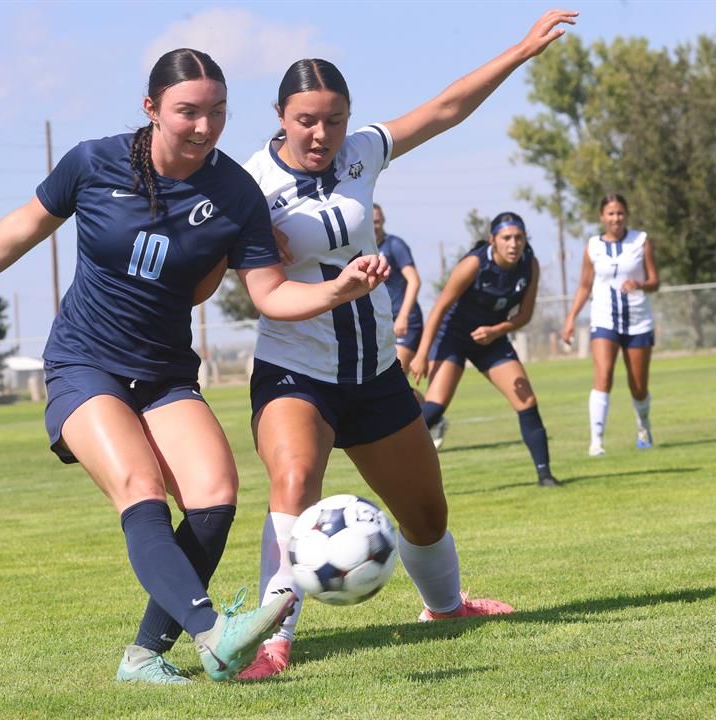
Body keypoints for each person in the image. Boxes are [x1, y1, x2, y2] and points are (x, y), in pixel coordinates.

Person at [0, 48, 389, 685]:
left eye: (217, 112)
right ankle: (215, 633)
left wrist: (335, 291)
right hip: (84, 364)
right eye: (187, 112)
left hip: (163, 374)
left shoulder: (235, 192)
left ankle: (144, 656)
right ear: (151, 110)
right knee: (142, 491)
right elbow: (23, 227)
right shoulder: (93, 162)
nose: (204, 127)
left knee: (214, 500)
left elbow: (269, 294)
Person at [233, 10, 579, 680]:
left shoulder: (364, 150)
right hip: (294, 370)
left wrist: (518, 52)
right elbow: (242, 279)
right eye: (306, 119)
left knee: (425, 515)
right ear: (280, 114)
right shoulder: (250, 187)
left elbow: (447, 107)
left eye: (333, 119)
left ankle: (446, 610)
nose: (321, 133)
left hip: (375, 374)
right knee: (295, 482)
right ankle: (270, 641)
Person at [408, 212, 560, 487]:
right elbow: (440, 308)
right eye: (507, 238)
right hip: (453, 336)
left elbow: (524, 315)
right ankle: (398, 468)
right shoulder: (474, 263)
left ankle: (545, 476)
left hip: (491, 338)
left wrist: (496, 331)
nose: (514, 244)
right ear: (493, 240)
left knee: (526, 401)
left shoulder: (530, 263)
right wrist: (421, 355)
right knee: (435, 406)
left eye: (519, 238)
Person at [561, 193, 660, 456]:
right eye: (611, 213)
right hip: (604, 319)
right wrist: (570, 318)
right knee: (603, 377)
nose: (616, 218)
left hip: (637, 321)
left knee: (638, 386)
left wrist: (639, 284)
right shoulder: (593, 246)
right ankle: (596, 441)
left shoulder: (640, 241)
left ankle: (643, 425)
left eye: (620, 213)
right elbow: (584, 286)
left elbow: (655, 281)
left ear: (626, 215)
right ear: (601, 216)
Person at [373, 203, 449, 444]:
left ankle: (426, 422)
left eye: (378, 221)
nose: (374, 225)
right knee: (388, 382)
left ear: (383, 221)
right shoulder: (361, 247)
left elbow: (414, 281)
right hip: (381, 323)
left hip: (407, 323)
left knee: (391, 377)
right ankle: (432, 414)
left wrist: (404, 315)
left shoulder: (394, 245)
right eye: (370, 220)